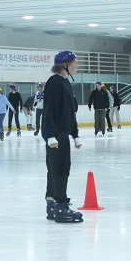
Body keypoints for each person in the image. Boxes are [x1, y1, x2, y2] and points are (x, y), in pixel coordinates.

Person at [42, 50, 83, 224]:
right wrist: (50, 135)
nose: (76, 66)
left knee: (59, 168)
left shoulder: (66, 83)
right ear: (64, 65)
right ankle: (60, 204)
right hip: (56, 135)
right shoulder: (54, 83)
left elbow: (70, 112)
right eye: (74, 62)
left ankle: (52, 203)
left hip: (64, 133)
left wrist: (75, 134)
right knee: (59, 170)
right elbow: (49, 111)